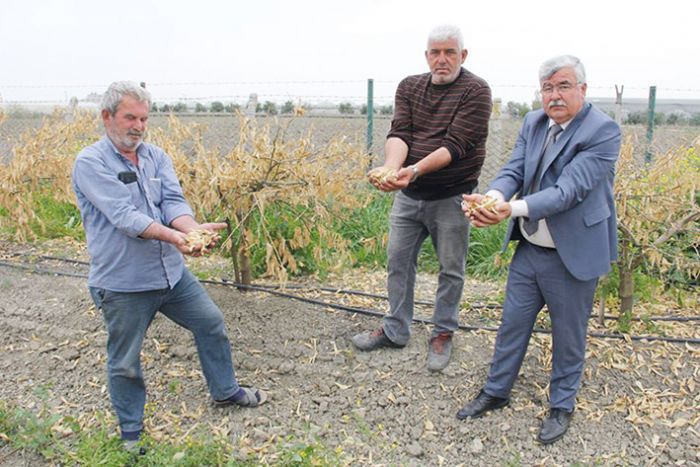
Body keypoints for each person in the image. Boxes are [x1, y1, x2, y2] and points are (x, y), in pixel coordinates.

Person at [72, 81, 267, 452]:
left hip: (171, 275)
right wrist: (176, 239)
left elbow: (173, 202)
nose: (139, 126)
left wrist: (192, 230)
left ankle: (225, 392)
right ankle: (131, 433)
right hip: (124, 283)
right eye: (130, 117)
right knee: (125, 360)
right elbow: (125, 216)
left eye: (144, 118)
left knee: (210, 323)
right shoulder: (91, 163)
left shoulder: (156, 157)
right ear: (107, 116)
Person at [456, 55, 621, 444]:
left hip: (572, 255)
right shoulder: (533, 122)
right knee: (512, 324)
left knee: (568, 336)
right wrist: (493, 196)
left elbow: (569, 191)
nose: (554, 95)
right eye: (547, 88)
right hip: (531, 248)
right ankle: (496, 391)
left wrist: (507, 209)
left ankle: (561, 405)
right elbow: (515, 169)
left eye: (563, 86)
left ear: (582, 88)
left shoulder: (603, 131)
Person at [351, 24, 492, 372]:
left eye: (450, 52)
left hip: (451, 195)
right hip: (409, 196)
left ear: (463, 55)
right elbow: (400, 133)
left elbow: (456, 145)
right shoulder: (410, 87)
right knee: (398, 262)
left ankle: (443, 332)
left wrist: (412, 171)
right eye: (435, 52)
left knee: (451, 268)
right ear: (426, 55)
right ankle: (396, 328)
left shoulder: (475, 90)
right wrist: (391, 168)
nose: (441, 59)